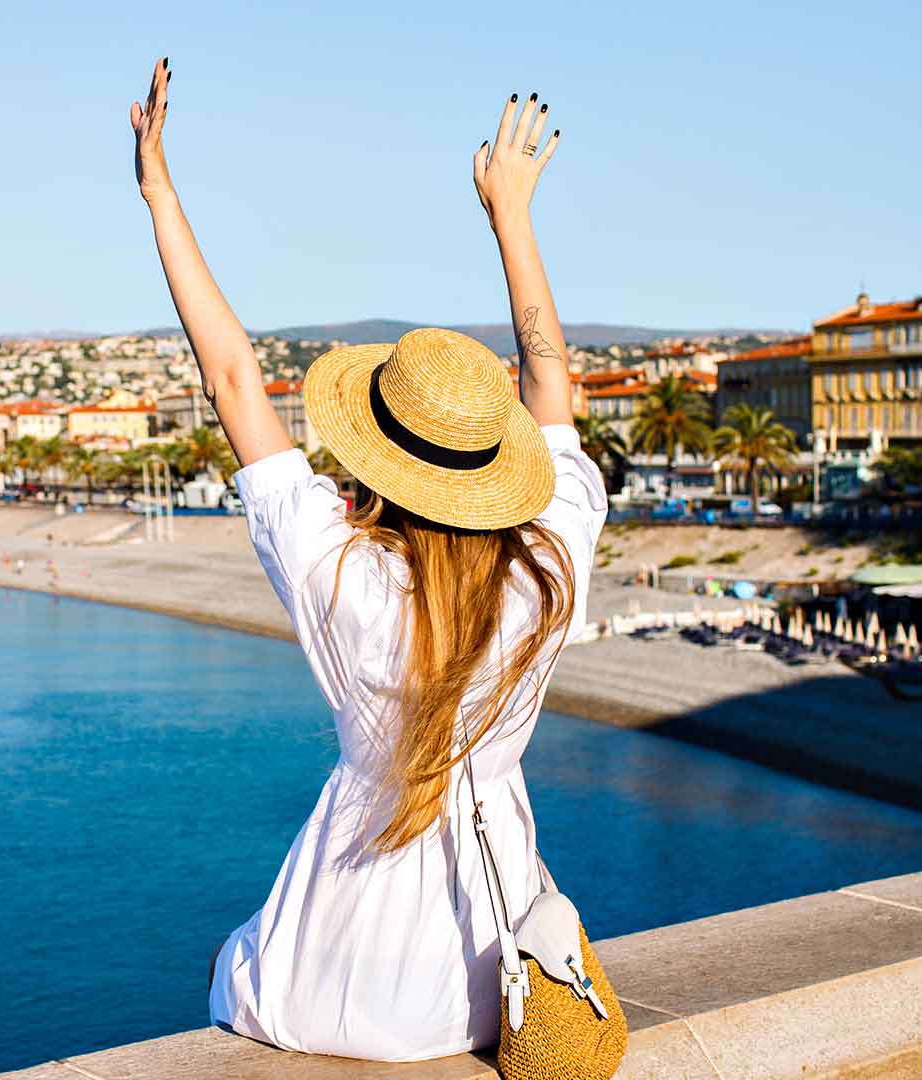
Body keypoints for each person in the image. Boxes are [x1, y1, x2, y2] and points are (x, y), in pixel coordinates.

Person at [130, 60, 609, 1060]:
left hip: (327, 990)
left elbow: (230, 376)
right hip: (487, 991)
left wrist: (160, 193)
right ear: (494, 463)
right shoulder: (549, 570)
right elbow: (552, 373)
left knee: (227, 964)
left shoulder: (345, 580)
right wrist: (512, 217)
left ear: (378, 469)